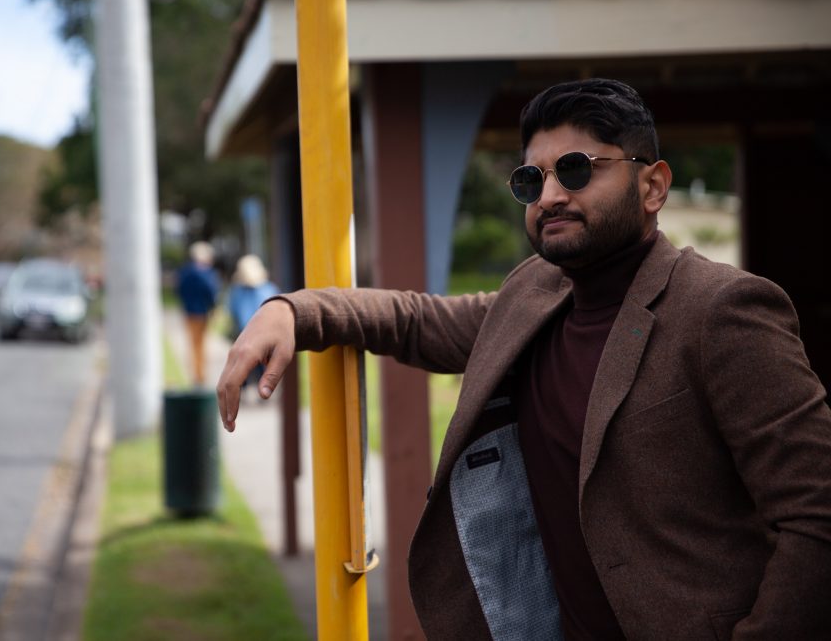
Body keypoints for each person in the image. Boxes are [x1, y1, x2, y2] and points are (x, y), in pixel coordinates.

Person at [216, 79, 831, 640]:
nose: (552, 196)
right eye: (531, 182)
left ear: (654, 185)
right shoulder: (534, 294)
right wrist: (292, 311)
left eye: (576, 170)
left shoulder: (722, 310)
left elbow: (815, 513)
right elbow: (416, 319)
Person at [226, 254, 279, 390]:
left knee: (245, 363)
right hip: (257, 332)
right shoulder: (268, 289)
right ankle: (259, 386)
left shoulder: (237, 291)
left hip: (248, 332)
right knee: (258, 362)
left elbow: (232, 309)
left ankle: (249, 386)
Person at [177, 241, 220, 386]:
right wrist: (213, 306)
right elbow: (211, 292)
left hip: (189, 311)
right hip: (202, 312)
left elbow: (180, 290)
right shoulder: (206, 273)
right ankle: (200, 375)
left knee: (193, 344)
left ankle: (197, 373)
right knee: (201, 344)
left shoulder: (185, 272)